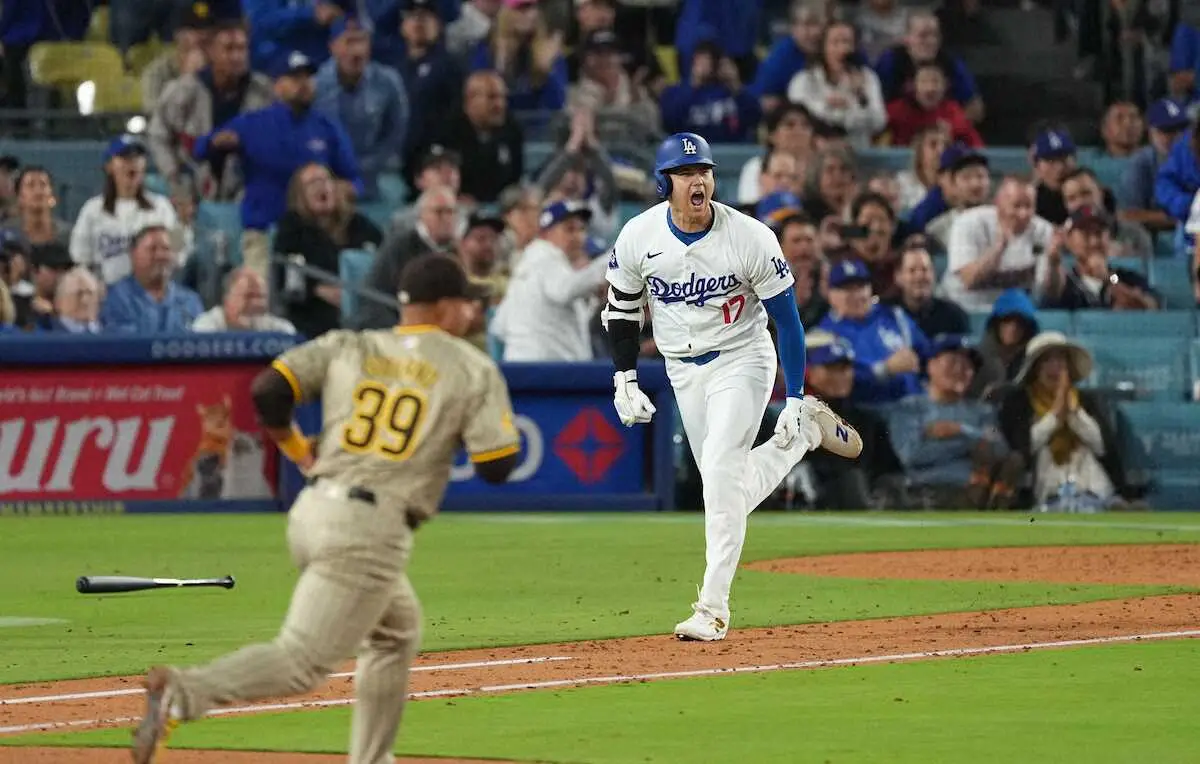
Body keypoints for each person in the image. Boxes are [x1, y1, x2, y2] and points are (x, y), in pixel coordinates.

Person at [131, 254, 522, 764]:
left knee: (396, 630)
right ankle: (183, 694)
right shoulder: (470, 365)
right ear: (446, 307)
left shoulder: (351, 343)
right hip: (369, 529)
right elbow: (496, 465)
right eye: (466, 302)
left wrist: (297, 449)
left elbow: (269, 388)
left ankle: (372, 759)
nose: (473, 312)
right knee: (301, 662)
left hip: (313, 509)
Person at [603, 132, 862, 642]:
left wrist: (791, 394)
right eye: (684, 173)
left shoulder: (750, 237)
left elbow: (787, 323)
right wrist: (624, 376)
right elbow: (621, 308)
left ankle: (712, 609)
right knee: (725, 492)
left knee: (720, 474)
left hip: (743, 358)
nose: (697, 179)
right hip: (682, 369)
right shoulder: (638, 236)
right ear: (664, 185)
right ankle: (806, 434)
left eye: (704, 170)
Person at [194, 51, 364, 279]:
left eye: (307, 78)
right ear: (277, 86)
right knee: (259, 290)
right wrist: (216, 143)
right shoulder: (254, 123)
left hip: (315, 236)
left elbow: (354, 178)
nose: (303, 85)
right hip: (265, 231)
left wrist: (347, 188)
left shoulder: (325, 127)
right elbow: (201, 148)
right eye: (294, 79)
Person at [887, 335, 1023, 509]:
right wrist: (973, 445)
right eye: (952, 362)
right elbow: (912, 455)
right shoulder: (910, 408)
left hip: (976, 488)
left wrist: (960, 430)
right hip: (929, 490)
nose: (960, 369)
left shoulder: (982, 411)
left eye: (967, 366)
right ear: (931, 366)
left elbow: (1000, 450)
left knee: (1012, 462)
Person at [999, 331, 1127, 511]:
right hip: (1048, 492)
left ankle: (1113, 504)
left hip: (1094, 487)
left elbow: (1102, 446)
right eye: (1047, 361)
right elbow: (1023, 448)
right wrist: (1055, 416)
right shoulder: (1018, 402)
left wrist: (1073, 412)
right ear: (1035, 368)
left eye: (1061, 360)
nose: (1055, 368)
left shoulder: (1085, 400)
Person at [148, 20, 275, 201]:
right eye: (229, 49)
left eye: (242, 49)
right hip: (191, 188)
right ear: (211, 52)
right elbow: (158, 135)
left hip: (246, 191)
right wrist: (173, 177)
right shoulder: (183, 91)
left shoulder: (263, 92)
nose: (237, 57)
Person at [274, 163, 385, 339]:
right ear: (300, 194)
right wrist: (318, 289)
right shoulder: (292, 228)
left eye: (325, 179)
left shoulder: (358, 224)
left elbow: (382, 259)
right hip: (313, 313)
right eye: (312, 182)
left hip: (363, 309)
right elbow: (284, 276)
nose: (321, 186)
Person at [490, 200, 608, 361]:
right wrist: (616, 258)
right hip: (547, 372)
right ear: (546, 234)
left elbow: (499, 326)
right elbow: (565, 290)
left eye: (581, 229)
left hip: (527, 368)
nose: (578, 237)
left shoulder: (529, 266)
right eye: (569, 229)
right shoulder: (544, 256)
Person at [314, 17, 409, 201]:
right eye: (349, 42)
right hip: (329, 173)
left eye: (361, 41)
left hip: (378, 171)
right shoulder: (316, 86)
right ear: (333, 47)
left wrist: (371, 165)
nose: (356, 51)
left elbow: (397, 131)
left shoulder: (388, 81)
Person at [70, 136, 181, 286]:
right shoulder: (92, 210)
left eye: (137, 157)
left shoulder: (162, 206)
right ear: (109, 166)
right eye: (125, 157)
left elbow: (179, 251)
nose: (132, 163)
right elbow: (80, 258)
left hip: (150, 291)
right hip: (106, 292)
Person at [818, 257, 930, 403]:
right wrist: (885, 369)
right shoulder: (825, 334)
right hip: (868, 412)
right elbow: (836, 384)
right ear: (831, 295)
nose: (857, 295)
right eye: (848, 289)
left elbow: (927, 351)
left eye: (861, 286)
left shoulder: (894, 316)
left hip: (917, 402)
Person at [941, 177, 1060, 312]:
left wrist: (1054, 264)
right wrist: (998, 249)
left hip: (1016, 315)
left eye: (1029, 206)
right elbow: (969, 279)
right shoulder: (967, 223)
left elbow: (1052, 293)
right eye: (1017, 206)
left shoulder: (1042, 230)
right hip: (963, 309)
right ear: (998, 203)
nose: (1023, 214)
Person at [359, 186, 459, 329]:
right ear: (421, 215)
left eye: (451, 212)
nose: (447, 218)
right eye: (439, 212)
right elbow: (376, 297)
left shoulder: (458, 249)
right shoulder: (399, 247)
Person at [786, 21, 886, 150]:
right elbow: (802, 118)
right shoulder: (803, 80)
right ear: (823, 47)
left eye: (847, 42)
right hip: (814, 151)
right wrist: (830, 107)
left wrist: (861, 96)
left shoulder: (868, 78)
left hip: (855, 151)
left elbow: (879, 122)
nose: (842, 49)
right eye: (835, 42)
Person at [1041, 206, 1159, 311]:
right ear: (1069, 241)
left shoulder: (1123, 277)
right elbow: (1052, 295)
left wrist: (1108, 278)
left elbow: (1151, 306)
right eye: (1086, 235)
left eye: (1099, 233)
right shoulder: (1065, 281)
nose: (1094, 242)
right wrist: (1053, 263)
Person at [100, 225, 204, 334]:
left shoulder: (190, 301)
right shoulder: (116, 298)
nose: (160, 255)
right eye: (152, 249)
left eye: (166, 249)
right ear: (133, 254)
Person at [1117, 98, 1189, 231]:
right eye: (1167, 131)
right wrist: (1184, 217)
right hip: (1156, 242)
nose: (1177, 136)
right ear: (1151, 132)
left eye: (1181, 129)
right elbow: (1128, 215)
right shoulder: (1141, 163)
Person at [888, 244, 968, 339]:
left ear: (934, 274)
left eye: (925, 269)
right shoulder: (886, 315)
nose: (919, 276)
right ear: (898, 277)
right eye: (912, 271)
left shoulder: (954, 316)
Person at [192, 267, 298, 332]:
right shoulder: (205, 326)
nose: (257, 303)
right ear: (227, 299)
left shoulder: (279, 329)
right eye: (249, 296)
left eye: (261, 297)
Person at [895, 125, 948, 213]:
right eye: (933, 144)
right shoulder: (902, 182)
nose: (940, 150)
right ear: (919, 150)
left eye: (945, 145)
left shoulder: (953, 185)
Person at [41, 266, 104, 334]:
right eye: (78, 294)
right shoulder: (43, 335)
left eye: (90, 293)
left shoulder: (113, 331)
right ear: (58, 301)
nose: (85, 300)